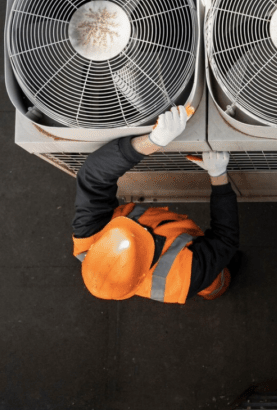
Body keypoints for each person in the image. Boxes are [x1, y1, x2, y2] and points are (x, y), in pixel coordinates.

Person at [71, 105, 240, 303]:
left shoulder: (89, 236)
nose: (139, 227)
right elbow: (225, 238)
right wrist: (218, 176)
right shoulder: (183, 278)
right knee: (215, 279)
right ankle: (219, 287)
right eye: (141, 234)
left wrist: (154, 141)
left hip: (181, 245)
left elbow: (93, 176)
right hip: (197, 273)